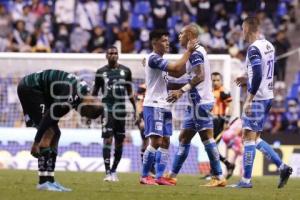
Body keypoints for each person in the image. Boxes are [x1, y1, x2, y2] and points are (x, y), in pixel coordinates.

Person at [232, 16, 292, 188]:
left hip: (257, 98)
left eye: (242, 29)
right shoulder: (268, 45)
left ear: (248, 29)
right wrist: (247, 78)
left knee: (248, 138)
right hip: (268, 95)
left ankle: (246, 181)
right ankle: (282, 167)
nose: (241, 32)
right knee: (255, 137)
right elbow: (266, 71)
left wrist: (249, 99)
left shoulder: (253, 49)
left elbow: (258, 74)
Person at [17, 69, 103, 192]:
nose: (80, 113)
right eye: (83, 113)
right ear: (88, 104)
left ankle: (51, 180)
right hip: (31, 88)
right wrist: (36, 142)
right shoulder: (71, 95)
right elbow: (48, 117)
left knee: (56, 133)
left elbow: (55, 115)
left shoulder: (83, 93)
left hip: (43, 92)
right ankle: (43, 182)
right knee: (49, 132)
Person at [165, 23, 226, 187]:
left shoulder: (196, 53)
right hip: (194, 103)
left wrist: (180, 91)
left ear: (190, 35)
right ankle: (171, 176)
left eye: (181, 33)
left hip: (200, 102)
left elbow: (199, 76)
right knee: (184, 138)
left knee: (207, 138)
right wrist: (163, 77)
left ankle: (219, 176)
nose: (178, 36)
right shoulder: (195, 51)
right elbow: (179, 72)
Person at [140, 29, 198, 185]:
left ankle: (159, 177)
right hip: (153, 105)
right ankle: (144, 176)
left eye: (167, 40)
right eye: (164, 40)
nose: (168, 43)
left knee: (166, 141)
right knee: (156, 141)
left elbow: (177, 74)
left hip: (165, 105)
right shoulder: (153, 59)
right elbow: (176, 68)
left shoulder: (160, 60)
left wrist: (193, 69)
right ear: (155, 42)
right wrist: (188, 51)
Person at [92, 46, 136, 182]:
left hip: (121, 110)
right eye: (110, 53)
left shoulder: (126, 71)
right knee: (108, 139)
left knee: (119, 142)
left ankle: (114, 171)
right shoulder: (100, 72)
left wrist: (135, 110)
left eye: (115, 53)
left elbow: (129, 92)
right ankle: (107, 172)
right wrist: (90, 112)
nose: (113, 55)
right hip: (107, 109)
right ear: (106, 56)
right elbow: (94, 93)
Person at [211, 72, 235, 179]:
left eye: (217, 80)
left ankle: (225, 166)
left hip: (219, 121)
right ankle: (221, 167)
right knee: (211, 147)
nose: (215, 82)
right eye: (213, 80)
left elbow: (230, 106)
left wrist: (226, 121)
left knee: (212, 146)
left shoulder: (223, 91)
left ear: (221, 81)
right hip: (211, 121)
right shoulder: (211, 91)